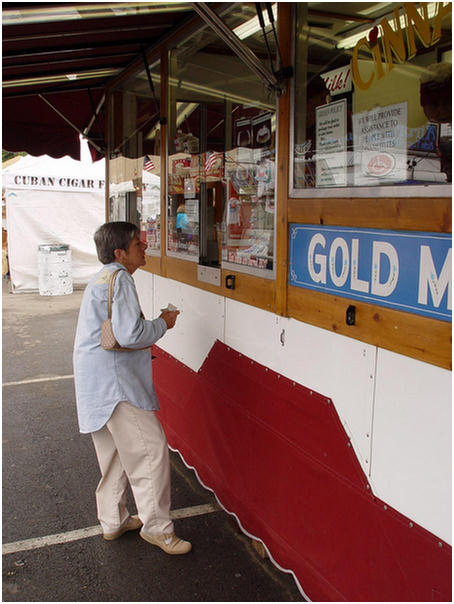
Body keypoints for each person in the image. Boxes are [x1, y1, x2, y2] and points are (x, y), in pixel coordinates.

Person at [73, 221, 191, 554]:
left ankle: (113, 520)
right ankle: (158, 528)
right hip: (116, 384)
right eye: (139, 244)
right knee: (150, 452)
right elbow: (131, 335)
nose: (145, 248)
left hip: (95, 381)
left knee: (113, 455)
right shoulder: (120, 278)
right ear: (120, 253)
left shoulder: (102, 277)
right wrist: (162, 324)